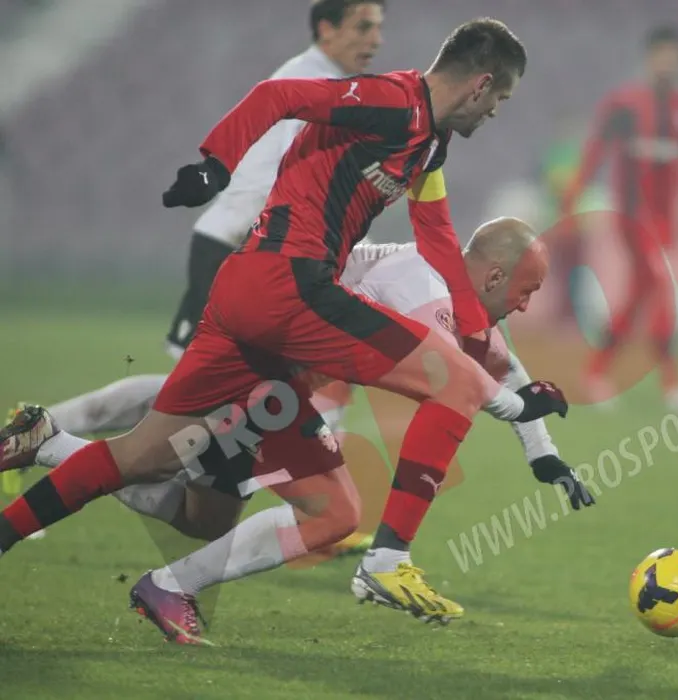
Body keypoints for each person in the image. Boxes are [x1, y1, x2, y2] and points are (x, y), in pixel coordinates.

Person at [0, 18, 570, 641]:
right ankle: (388, 561)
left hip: (259, 301)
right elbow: (279, 97)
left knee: (293, 500)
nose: (496, 112)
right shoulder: (391, 102)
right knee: (452, 381)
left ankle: (93, 538)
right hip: (290, 286)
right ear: (481, 84)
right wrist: (215, 164)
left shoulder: (431, 144)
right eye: (500, 98)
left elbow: (435, 233)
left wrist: (475, 336)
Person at [0, 218, 594, 644]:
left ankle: (54, 445)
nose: (525, 306)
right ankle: (153, 566)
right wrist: (518, 410)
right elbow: (457, 375)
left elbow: (498, 362)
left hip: (275, 379)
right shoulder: (422, 285)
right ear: (494, 275)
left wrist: (544, 454)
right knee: (326, 510)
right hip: (263, 374)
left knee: (198, 512)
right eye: (527, 292)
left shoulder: (446, 285)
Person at [11, 0, 387, 554]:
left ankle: (45, 436)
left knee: (220, 403)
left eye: (379, 28)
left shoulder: (334, 88)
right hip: (241, 253)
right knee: (191, 408)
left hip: (264, 258)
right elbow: (288, 182)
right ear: (326, 29)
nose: (375, 40)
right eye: (364, 26)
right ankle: (42, 435)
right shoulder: (315, 84)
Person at [560, 25, 678, 409]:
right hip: (632, 216)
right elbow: (595, 150)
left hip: (665, 220)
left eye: (675, 58)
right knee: (661, 285)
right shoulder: (624, 104)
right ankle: (672, 384)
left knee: (638, 296)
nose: (668, 64)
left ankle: (594, 373)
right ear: (648, 58)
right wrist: (573, 195)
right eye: (662, 56)